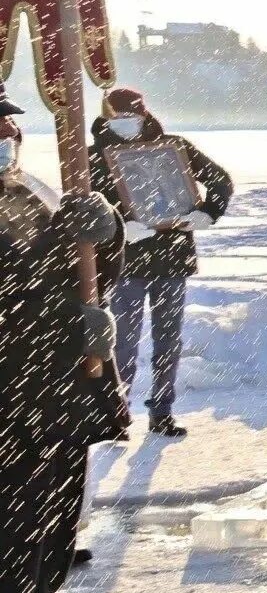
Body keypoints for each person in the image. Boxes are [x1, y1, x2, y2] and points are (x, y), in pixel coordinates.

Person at [1, 89, 124, 593]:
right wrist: (58, 248)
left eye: (12, 126)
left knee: (35, 585)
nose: (11, 137)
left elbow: (56, 285)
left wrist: (96, 243)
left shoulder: (19, 196)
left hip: (45, 421)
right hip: (7, 426)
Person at [88, 87, 234, 438]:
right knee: (121, 342)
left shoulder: (173, 148)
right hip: (126, 261)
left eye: (133, 116)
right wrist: (118, 228)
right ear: (107, 118)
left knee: (168, 339)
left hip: (171, 258)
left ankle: (162, 411)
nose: (127, 123)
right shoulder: (95, 156)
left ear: (144, 114)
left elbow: (220, 181)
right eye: (119, 118)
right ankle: (115, 415)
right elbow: (85, 209)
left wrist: (207, 213)